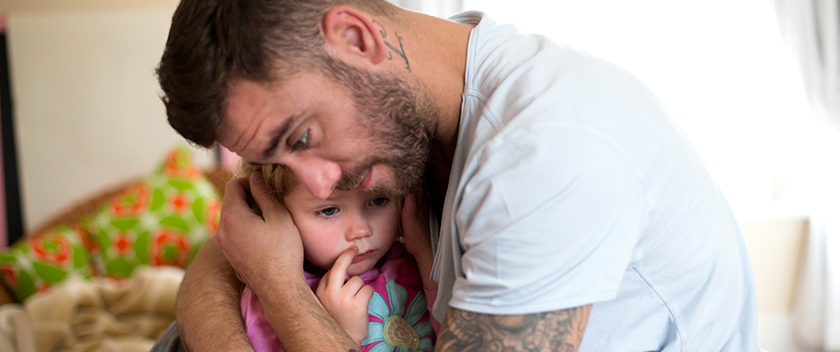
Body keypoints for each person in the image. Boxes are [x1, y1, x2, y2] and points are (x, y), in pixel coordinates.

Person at [153, 0, 760, 350]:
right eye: (277, 164)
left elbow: (249, 263)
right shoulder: (407, 121)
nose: (314, 187)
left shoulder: (545, 151)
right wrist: (250, 270)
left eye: (303, 139)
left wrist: (279, 287)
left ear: (356, 38)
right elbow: (233, 244)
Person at [237, 162, 439, 351]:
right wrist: (339, 335)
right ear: (275, 213)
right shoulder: (269, 300)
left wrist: (424, 251)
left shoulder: (412, 261)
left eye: (378, 200)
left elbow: (458, 336)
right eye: (329, 210)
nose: (361, 230)